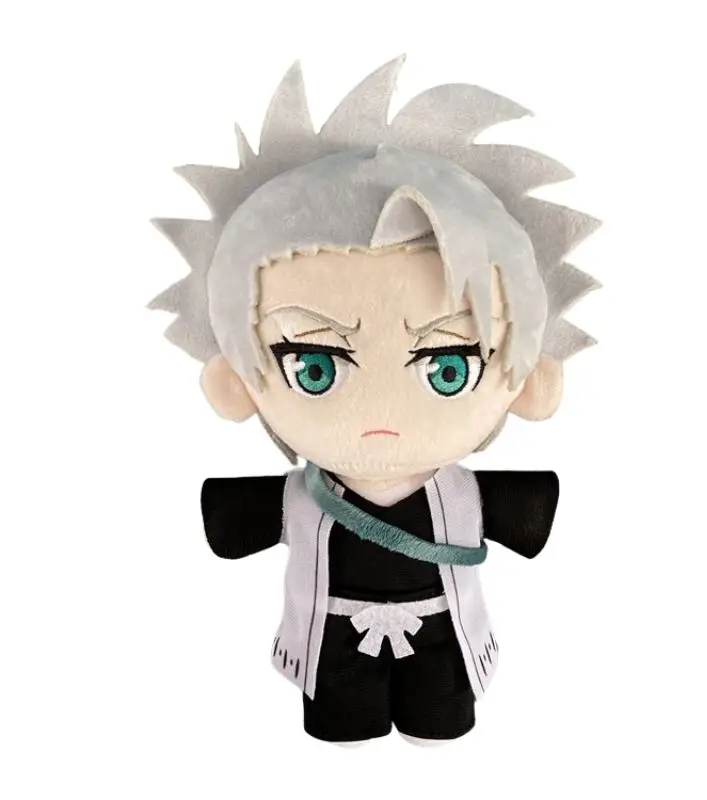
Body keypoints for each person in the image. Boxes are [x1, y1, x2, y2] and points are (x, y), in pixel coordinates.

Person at [149, 56, 599, 744]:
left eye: (448, 368)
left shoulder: (466, 499)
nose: (382, 415)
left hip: (446, 642)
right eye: (315, 368)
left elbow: (528, 515)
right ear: (234, 381)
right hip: (329, 646)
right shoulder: (307, 498)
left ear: (528, 381)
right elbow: (231, 525)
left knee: (441, 722)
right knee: (341, 727)